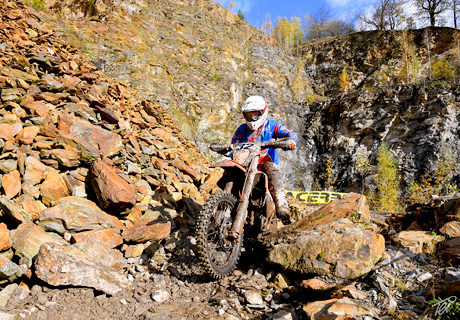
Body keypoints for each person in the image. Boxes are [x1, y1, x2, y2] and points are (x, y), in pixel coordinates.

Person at [231, 95, 298, 223]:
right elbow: (234, 143)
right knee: (230, 169)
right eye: (248, 115)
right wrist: (228, 150)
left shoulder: (272, 125)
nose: (252, 118)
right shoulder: (242, 129)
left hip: (265, 161)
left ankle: (281, 204)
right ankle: (226, 202)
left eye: (255, 115)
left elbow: (291, 134)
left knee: (271, 170)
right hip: (246, 161)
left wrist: (291, 141)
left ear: (262, 112)